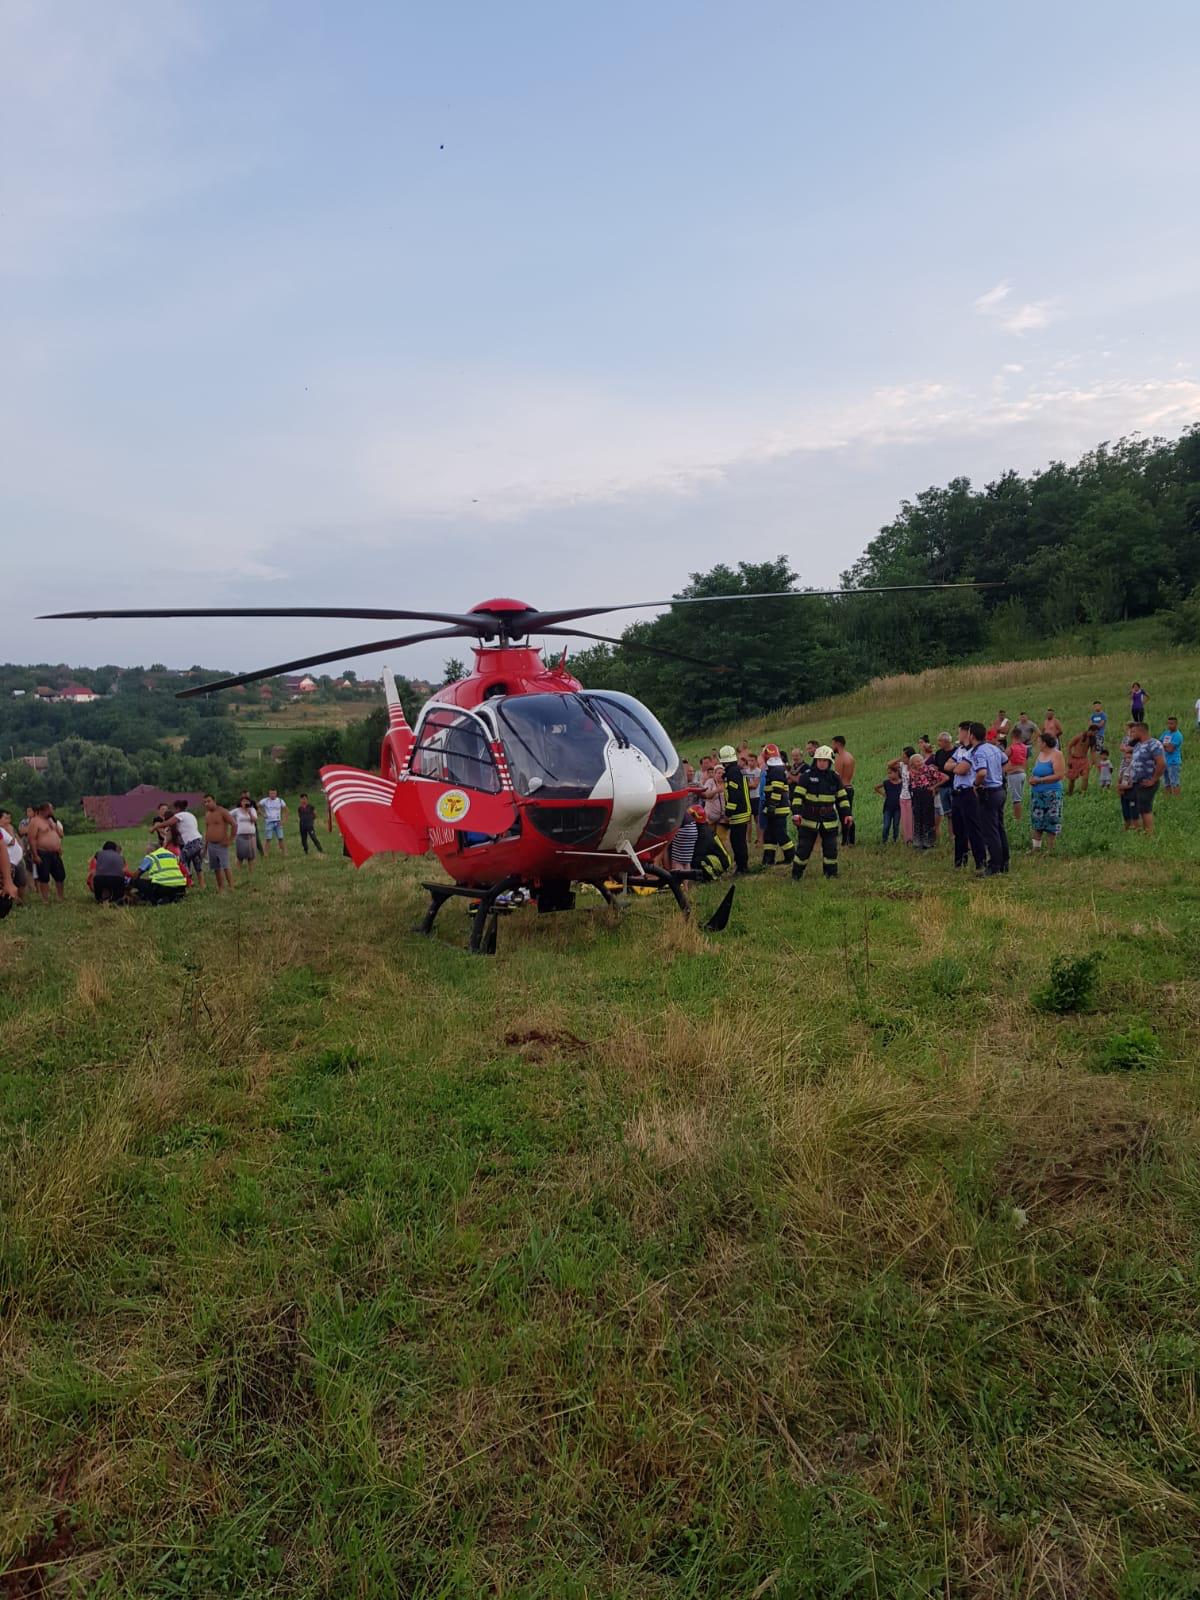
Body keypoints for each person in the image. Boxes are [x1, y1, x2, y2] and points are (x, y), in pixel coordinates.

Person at [791, 746, 851, 881]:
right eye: (819, 760)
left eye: (825, 760)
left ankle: (831, 875)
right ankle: (796, 875)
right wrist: (796, 813)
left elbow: (842, 798)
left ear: (830, 762)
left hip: (829, 820)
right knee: (803, 849)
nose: (822, 763)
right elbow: (798, 797)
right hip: (809, 820)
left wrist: (847, 814)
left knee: (831, 849)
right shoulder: (806, 777)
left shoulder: (834, 778)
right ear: (815, 760)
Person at [970, 722, 1009, 874]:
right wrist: (998, 775)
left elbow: (981, 773)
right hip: (999, 790)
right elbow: (1006, 762)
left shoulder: (978, 752)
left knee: (990, 830)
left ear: (972, 736)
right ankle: (1004, 861)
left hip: (988, 793)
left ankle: (994, 865)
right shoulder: (993, 748)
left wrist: (976, 784)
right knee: (999, 827)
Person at [948, 724, 984, 871]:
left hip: (969, 791)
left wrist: (957, 766)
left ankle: (980, 862)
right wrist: (957, 766)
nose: (958, 735)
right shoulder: (960, 750)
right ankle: (960, 861)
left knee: (973, 829)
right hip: (957, 792)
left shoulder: (974, 751)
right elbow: (947, 765)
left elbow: (961, 770)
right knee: (958, 830)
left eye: (959, 732)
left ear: (967, 733)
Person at [1124, 721, 1166, 834]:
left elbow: (1161, 763)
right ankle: (1139, 830)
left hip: (1147, 782)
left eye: (1134, 732)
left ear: (1141, 731)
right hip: (1136, 782)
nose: (1131, 734)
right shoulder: (1138, 745)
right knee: (1137, 807)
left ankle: (1149, 833)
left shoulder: (1154, 744)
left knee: (1145, 808)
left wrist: (1153, 779)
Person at [758, 746, 795, 868]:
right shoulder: (775, 768)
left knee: (780, 834)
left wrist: (772, 805)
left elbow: (778, 789)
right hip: (774, 807)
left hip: (778, 808)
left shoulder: (776, 769)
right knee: (769, 834)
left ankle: (791, 856)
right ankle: (768, 859)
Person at [1028, 734, 1065, 850]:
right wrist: (1032, 779)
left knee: (1051, 820)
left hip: (1052, 794)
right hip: (1037, 793)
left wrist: (1040, 780)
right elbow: (1036, 771)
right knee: (1037, 821)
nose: (1037, 744)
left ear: (1044, 743)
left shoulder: (1057, 755)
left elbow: (1059, 775)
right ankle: (1036, 848)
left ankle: (1050, 849)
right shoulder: (1040, 754)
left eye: (1039, 742)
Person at [719, 745, 751, 875]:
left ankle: (742, 868)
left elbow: (734, 794)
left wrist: (728, 812)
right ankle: (741, 866)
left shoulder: (732, 773)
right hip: (741, 811)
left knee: (738, 840)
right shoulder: (735, 771)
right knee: (736, 839)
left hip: (739, 812)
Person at [28, 803, 66, 903]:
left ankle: (60, 897)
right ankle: (45, 899)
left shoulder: (51, 820)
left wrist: (54, 825)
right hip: (43, 853)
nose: (52, 811)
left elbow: (60, 835)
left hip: (55, 853)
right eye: (51, 809)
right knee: (44, 877)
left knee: (60, 875)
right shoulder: (35, 821)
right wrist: (35, 855)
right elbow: (31, 839)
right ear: (44, 810)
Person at [203, 794, 237, 892]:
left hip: (221, 843)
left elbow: (234, 824)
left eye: (209, 801)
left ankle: (231, 887)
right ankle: (220, 888)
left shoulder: (222, 811)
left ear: (214, 801)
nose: (207, 804)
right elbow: (207, 830)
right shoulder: (207, 814)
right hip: (211, 844)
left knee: (226, 866)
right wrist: (205, 847)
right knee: (216, 868)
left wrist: (230, 839)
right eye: (205, 802)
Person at [909, 753, 939, 849]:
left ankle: (929, 842)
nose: (920, 762)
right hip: (916, 794)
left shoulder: (930, 769)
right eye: (917, 761)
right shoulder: (911, 772)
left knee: (928, 817)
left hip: (927, 794)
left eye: (921, 760)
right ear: (913, 764)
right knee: (918, 817)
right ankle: (918, 842)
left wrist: (934, 788)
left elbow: (940, 778)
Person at [172, 801, 205, 886]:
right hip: (199, 841)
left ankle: (189, 880)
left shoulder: (180, 815)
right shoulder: (191, 815)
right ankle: (202, 885)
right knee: (197, 864)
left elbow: (169, 823)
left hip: (191, 842)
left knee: (181, 860)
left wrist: (156, 826)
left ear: (177, 808)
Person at [929, 732, 955, 841]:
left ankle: (958, 835)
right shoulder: (939, 753)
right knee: (948, 813)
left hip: (954, 786)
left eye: (940, 741)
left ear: (946, 741)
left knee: (956, 813)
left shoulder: (956, 752)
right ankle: (951, 836)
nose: (938, 743)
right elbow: (937, 767)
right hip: (943, 786)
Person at [0, 810, 29, 904]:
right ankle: (11, 900)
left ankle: (20, 900)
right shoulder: (2, 830)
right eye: (6, 818)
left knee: (22, 881)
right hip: (9, 861)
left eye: (9, 818)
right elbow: (11, 841)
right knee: (9, 882)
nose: (8, 820)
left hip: (18, 860)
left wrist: (21, 848)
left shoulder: (9, 828)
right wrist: (10, 830)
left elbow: (16, 839)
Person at [831, 737, 856, 846]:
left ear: (837, 744)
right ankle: (851, 839)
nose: (832, 747)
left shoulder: (840, 758)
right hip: (850, 787)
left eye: (833, 744)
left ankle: (845, 841)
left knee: (843, 816)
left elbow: (838, 778)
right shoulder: (850, 756)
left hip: (842, 789)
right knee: (849, 814)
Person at [875, 761, 902, 843]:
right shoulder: (886, 783)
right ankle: (884, 840)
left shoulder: (902, 783)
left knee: (896, 825)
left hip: (898, 808)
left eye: (890, 773)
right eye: (888, 773)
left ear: (897, 773)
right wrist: (883, 794)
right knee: (886, 825)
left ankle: (895, 839)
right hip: (888, 808)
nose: (889, 775)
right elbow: (876, 787)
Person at [232, 794, 259, 871]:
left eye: (247, 801)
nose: (245, 802)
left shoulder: (252, 810)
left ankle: (251, 871)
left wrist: (249, 813)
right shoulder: (237, 810)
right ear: (240, 802)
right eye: (243, 801)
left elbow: (254, 820)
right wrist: (233, 823)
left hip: (251, 835)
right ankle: (239, 871)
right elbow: (227, 815)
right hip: (240, 836)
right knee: (240, 855)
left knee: (251, 856)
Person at [1006, 730, 1028, 820]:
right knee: (1018, 798)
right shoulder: (1024, 747)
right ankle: (1017, 818)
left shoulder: (1011, 748)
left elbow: (1002, 759)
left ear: (1012, 737)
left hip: (1014, 774)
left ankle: (1017, 819)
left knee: (1016, 800)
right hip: (1022, 773)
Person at [1066, 728, 1095, 796]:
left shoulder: (1092, 740)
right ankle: (1070, 793)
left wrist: (1092, 760)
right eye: (1094, 732)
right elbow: (1070, 745)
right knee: (1072, 779)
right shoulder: (1079, 736)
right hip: (1074, 759)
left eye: (1096, 733)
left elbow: (1092, 751)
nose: (1094, 734)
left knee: (1085, 777)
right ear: (1090, 730)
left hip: (1084, 760)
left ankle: (1083, 794)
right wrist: (1069, 758)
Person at [259, 788, 287, 855]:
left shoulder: (280, 800)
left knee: (281, 838)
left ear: (276, 793)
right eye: (271, 793)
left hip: (278, 822)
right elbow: (256, 806)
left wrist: (283, 821)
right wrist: (262, 814)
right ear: (269, 794)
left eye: (274, 793)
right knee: (268, 839)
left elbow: (286, 811)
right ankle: (265, 854)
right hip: (269, 822)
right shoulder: (265, 800)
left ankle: (285, 853)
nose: (272, 795)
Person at [1159, 716, 1183, 795]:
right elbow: (1159, 743)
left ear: (1176, 724)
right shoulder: (1166, 733)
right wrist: (1165, 745)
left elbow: (1170, 749)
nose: (1169, 725)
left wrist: (1164, 745)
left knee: (1175, 782)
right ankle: (1168, 799)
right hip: (1165, 760)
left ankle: (1176, 799)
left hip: (1173, 762)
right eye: (1168, 723)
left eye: (1171, 723)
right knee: (1166, 782)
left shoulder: (1177, 735)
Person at [898, 746, 915, 844]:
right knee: (904, 819)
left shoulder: (914, 768)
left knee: (911, 818)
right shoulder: (902, 766)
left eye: (904, 756)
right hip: (903, 795)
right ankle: (907, 838)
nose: (903, 758)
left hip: (911, 796)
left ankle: (913, 837)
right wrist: (901, 758)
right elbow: (889, 764)